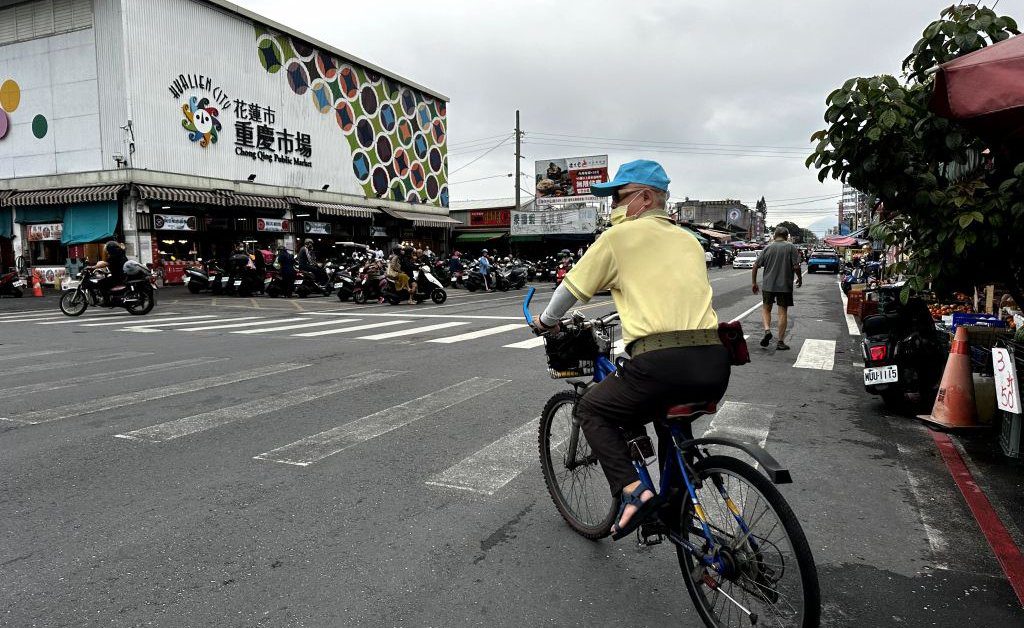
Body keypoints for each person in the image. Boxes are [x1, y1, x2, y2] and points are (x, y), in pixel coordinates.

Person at [533, 159, 730, 540]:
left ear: (645, 197)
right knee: (668, 420)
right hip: (713, 362)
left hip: (661, 364)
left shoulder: (618, 239)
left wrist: (545, 322)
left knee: (592, 408)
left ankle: (634, 492)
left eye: (619, 199)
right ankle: (675, 507)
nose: (614, 209)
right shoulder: (690, 240)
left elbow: (569, 292)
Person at [752, 226, 802, 351]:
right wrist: (799, 278)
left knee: (766, 309)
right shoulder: (791, 247)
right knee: (782, 312)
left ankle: (767, 330)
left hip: (768, 285)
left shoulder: (767, 248)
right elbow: (796, 266)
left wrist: (754, 283)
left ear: (774, 235)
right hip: (785, 286)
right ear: (787, 236)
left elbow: (755, 266)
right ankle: (780, 342)